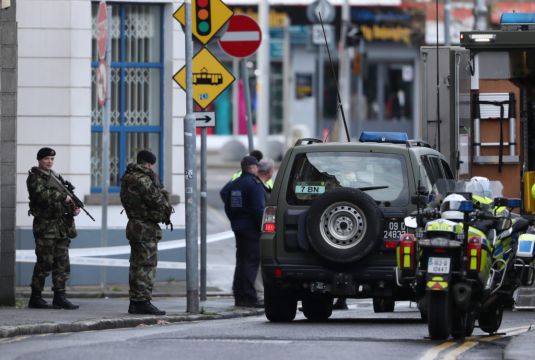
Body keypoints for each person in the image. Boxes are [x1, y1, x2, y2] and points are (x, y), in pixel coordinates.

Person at [27, 147, 81, 310]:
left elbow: (66, 199)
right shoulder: (34, 177)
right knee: (44, 262)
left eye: (52, 159)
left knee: (62, 263)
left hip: (61, 227)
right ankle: (36, 297)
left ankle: (60, 296)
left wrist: (73, 207)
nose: (49, 162)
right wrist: (62, 196)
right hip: (45, 227)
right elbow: (41, 196)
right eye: (46, 159)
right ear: (40, 160)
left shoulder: (56, 177)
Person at [120, 150, 173, 315]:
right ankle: (143, 301)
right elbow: (157, 201)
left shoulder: (127, 177)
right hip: (145, 227)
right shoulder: (143, 179)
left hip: (134, 224)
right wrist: (164, 199)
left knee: (136, 265)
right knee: (146, 265)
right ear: (148, 164)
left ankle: (135, 301)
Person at [220, 156, 266, 308]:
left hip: (238, 227)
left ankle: (239, 295)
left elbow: (227, 201)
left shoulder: (235, 183)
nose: (257, 169)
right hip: (252, 229)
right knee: (251, 262)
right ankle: (249, 297)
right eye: (256, 167)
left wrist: (234, 219)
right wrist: (263, 227)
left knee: (241, 261)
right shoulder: (254, 184)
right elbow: (258, 210)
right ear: (252, 167)